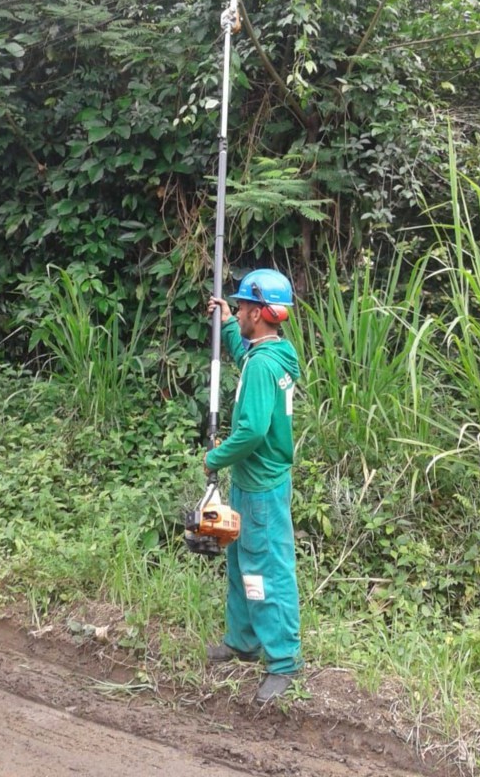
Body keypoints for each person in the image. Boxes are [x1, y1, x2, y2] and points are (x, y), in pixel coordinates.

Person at [204, 268, 304, 702]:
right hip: (253, 481)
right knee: (242, 563)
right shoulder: (272, 352)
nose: (240, 309)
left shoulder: (263, 366)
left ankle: (284, 661)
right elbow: (242, 351)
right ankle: (242, 640)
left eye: (243, 305)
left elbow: (252, 432)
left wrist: (215, 458)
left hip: (261, 486)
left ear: (261, 313)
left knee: (269, 569)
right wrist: (226, 321)